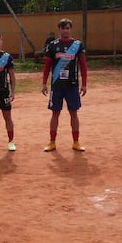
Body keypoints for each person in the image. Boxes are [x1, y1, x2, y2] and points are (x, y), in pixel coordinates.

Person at [41, 17, 88, 152]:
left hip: (72, 85)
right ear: (59, 29)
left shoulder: (78, 45)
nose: (65, 30)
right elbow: (47, 67)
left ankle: (76, 142)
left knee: (74, 113)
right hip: (56, 86)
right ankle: (52, 142)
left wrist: (84, 84)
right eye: (62, 28)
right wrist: (44, 83)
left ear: (70, 29)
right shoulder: (53, 45)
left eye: (67, 28)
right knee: (55, 113)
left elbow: (83, 66)